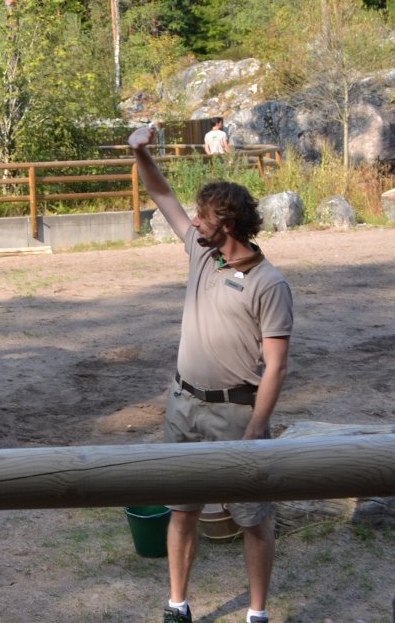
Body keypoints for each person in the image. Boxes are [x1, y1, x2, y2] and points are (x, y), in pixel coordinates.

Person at [129, 125, 293, 623]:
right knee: (183, 511)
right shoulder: (202, 252)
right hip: (183, 406)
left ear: (228, 223)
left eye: (203, 215)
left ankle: (257, 613)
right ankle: (177, 605)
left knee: (253, 520)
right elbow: (162, 193)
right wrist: (139, 151)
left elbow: (277, 364)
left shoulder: (270, 283)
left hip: (235, 412)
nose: (193, 221)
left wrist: (257, 426)